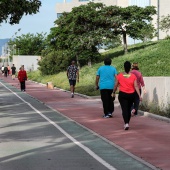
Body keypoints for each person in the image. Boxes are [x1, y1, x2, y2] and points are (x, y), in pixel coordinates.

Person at [113, 61, 142, 130]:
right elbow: (136, 86)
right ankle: (127, 122)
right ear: (130, 68)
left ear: (124, 67)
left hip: (122, 95)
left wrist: (113, 92)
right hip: (131, 95)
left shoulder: (119, 75)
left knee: (124, 109)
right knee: (129, 109)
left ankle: (126, 123)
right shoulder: (133, 76)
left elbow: (116, 85)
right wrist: (139, 95)